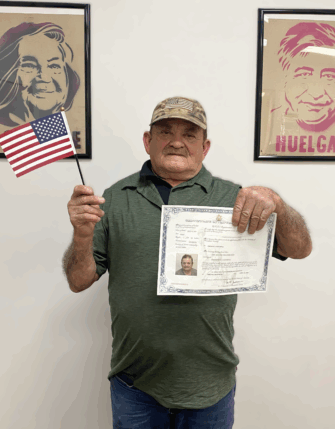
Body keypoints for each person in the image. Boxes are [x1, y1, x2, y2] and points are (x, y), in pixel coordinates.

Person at [63, 96, 312, 428]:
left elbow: (300, 249)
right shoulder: (114, 198)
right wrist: (81, 234)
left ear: (205, 147)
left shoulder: (236, 198)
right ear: (148, 141)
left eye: (190, 134)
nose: (177, 141)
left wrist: (277, 203)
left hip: (210, 383)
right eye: (165, 131)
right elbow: (78, 281)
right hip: (134, 384)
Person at [0, 22, 80, 127]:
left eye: (54, 66)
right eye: (30, 65)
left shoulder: (58, 127)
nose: (44, 77)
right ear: (7, 73)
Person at [273, 22, 335, 132]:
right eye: (304, 75)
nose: (316, 94)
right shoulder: (268, 122)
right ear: (285, 79)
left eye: (329, 77)